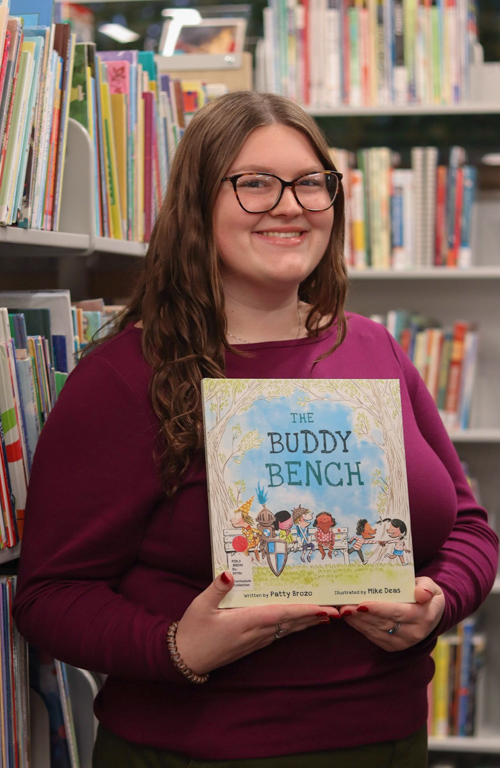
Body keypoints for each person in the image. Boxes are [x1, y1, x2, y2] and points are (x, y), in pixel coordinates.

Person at [12, 91, 498, 768]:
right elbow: (49, 597)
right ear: (197, 205)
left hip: (388, 741)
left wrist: (439, 602)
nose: (291, 205)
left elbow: (470, 527)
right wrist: (178, 647)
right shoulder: (126, 377)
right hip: (198, 752)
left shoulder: (372, 348)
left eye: (310, 182)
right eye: (255, 184)